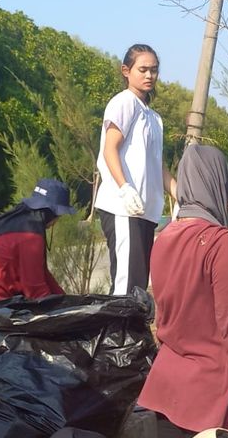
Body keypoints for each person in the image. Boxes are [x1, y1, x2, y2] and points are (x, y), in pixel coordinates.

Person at [138, 145, 228, 436]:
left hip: (167, 388)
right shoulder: (218, 242)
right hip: (212, 398)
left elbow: (164, 317)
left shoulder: (164, 239)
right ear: (217, 183)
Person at [93, 43, 176, 295]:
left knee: (138, 284)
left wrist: (179, 194)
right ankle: (117, 334)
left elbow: (157, 164)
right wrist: (124, 187)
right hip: (123, 207)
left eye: (154, 70)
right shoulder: (124, 102)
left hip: (144, 211)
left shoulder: (153, 117)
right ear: (126, 71)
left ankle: (131, 334)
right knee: (125, 285)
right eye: (143, 69)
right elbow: (110, 149)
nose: (149, 75)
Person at [0, 177, 76, 345]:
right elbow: (36, 291)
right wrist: (66, 320)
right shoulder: (30, 236)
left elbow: (42, 274)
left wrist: (68, 303)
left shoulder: (22, 222)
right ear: (53, 213)